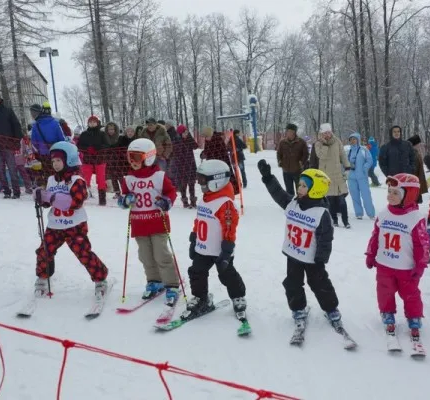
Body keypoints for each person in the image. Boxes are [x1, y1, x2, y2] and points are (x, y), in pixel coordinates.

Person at [257, 161, 345, 332]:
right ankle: (298, 309)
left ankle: (331, 308)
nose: (299, 187)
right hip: (294, 256)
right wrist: (268, 178)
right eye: (300, 184)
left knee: (320, 284)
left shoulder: (321, 214)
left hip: (313, 259)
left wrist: (321, 259)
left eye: (304, 185)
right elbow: (279, 194)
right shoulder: (293, 203)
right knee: (292, 284)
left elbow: (326, 240)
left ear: (316, 189)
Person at [32, 141, 109, 298]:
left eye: (59, 160)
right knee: (44, 251)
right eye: (53, 161)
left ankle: (100, 279)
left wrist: (52, 197)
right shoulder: (52, 180)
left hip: (75, 226)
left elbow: (76, 202)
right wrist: (41, 197)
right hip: (55, 225)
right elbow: (48, 202)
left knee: (83, 252)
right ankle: (42, 277)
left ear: (70, 160)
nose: (55, 164)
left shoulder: (77, 180)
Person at [181, 159, 246, 321]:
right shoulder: (205, 198)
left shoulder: (225, 203)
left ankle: (238, 296)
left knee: (226, 275)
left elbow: (230, 228)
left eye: (203, 180)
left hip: (219, 250)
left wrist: (226, 250)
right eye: (199, 178)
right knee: (196, 272)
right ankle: (202, 298)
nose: (199, 183)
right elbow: (199, 220)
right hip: (203, 247)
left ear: (217, 180)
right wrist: (193, 239)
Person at [365, 173, 428, 340]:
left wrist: (420, 265)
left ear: (409, 196)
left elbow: (422, 245)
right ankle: (387, 312)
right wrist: (371, 253)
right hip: (384, 264)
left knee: (411, 294)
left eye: (396, 193)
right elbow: (376, 235)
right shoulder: (384, 213)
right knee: (384, 291)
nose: (390, 196)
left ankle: (414, 317)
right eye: (389, 191)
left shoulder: (415, 218)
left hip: (406, 267)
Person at [118, 138, 180, 306]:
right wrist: (125, 200)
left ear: (149, 157)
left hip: (158, 222)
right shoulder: (129, 178)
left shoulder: (159, 176)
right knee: (145, 256)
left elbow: (171, 191)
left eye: (136, 157)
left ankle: (172, 284)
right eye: (130, 157)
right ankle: (154, 281)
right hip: (139, 223)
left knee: (161, 255)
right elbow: (122, 197)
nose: (133, 162)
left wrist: (166, 201)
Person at [314, 123, 351, 228]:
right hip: (326, 176)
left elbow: (343, 155)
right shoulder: (318, 144)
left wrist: (347, 167)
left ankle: (346, 221)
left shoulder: (337, 141)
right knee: (330, 200)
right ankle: (334, 220)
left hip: (338, 175)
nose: (327, 135)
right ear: (321, 133)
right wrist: (325, 145)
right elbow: (321, 156)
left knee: (342, 200)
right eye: (325, 133)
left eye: (329, 132)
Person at [77, 115, 109, 206]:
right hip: (87, 160)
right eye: (90, 122)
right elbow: (79, 146)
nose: (92, 123)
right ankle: (81, 196)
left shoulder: (102, 134)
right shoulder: (84, 134)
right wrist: (87, 149)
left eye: (94, 122)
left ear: (97, 123)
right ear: (88, 123)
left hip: (100, 159)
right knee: (85, 179)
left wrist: (97, 148)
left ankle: (102, 200)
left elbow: (107, 145)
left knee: (101, 179)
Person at [347, 133, 375, 219]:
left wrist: (364, 168)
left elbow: (370, 160)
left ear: (358, 140)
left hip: (362, 176)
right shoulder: (348, 151)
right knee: (355, 196)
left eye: (354, 139)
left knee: (366, 195)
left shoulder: (363, 150)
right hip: (351, 177)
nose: (352, 141)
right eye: (351, 139)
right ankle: (359, 213)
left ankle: (371, 214)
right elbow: (344, 163)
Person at [0, 96, 23, 198]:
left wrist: (16, 142)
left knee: (12, 169)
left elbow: (16, 126)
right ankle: (6, 191)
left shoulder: (8, 111)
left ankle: (16, 191)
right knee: (1, 171)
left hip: (8, 145)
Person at [277, 123, 309, 195]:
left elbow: (306, 154)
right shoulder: (282, 142)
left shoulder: (301, 142)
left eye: (290, 131)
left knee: (300, 190)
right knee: (289, 191)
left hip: (297, 171)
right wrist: (280, 161)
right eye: (287, 131)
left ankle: (300, 204)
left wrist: (301, 163)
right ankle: (291, 204)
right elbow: (279, 153)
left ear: (294, 132)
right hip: (286, 171)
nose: (288, 133)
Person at [174, 125, 198, 208]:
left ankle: (193, 201)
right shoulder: (176, 141)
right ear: (180, 133)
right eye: (184, 132)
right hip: (181, 165)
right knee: (183, 184)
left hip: (190, 164)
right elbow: (177, 153)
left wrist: (189, 138)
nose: (186, 133)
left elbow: (195, 146)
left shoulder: (189, 139)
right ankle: (184, 201)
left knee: (192, 183)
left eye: (187, 132)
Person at [407, 135, 427, 204]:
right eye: (418, 144)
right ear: (414, 145)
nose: (420, 145)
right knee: (413, 201)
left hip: (417, 182)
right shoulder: (412, 154)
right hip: (414, 182)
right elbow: (413, 170)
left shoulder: (416, 152)